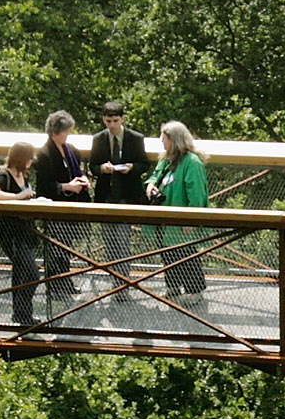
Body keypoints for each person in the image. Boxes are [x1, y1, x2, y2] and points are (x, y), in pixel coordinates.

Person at [0, 139, 47, 329]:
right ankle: (22, 313)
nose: (31, 162)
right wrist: (18, 197)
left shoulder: (22, 176)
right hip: (11, 233)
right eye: (29, 158)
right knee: (32, 274)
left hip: (26, 231)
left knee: (20, 274)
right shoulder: (4, 175)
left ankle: (22, 315)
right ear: (20, 158)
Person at [31, 110, 90, 305]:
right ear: (55, 132)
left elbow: (78, 171)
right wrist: (66, 186)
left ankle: (65, 281)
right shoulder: (44, 154)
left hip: (72, 206)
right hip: (54, 207)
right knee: (55, 249)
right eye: (65, 131)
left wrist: (82, 181)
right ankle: (54, 286)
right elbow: (44, 186)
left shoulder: (71, 149)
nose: (67, 135)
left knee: (67, 247)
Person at [89, 99, 152, 275]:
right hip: (106, 196)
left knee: (123, 240)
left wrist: (131, 167)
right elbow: (92, 166)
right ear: (103, 120)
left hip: (127, 196)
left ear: (122, 119)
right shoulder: (99, 139)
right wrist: (102, 168)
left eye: (115, 121)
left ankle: (123, 279)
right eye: (108, 121)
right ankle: (114, 278)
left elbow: (144, 164)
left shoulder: (135, 138)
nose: (112, 125)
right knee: (109, 241)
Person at [149, 120, 211, 297]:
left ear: (174, 140)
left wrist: (190, 218)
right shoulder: (167, 158)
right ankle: (173, 287)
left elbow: (197, 194)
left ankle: (195, 291)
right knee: (167, 253)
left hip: (182, 220)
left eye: (164, 139)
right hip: (164, 219)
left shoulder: (192, 162)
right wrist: (150, 185)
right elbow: (155, 176)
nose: (162, 142)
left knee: (186, 254)